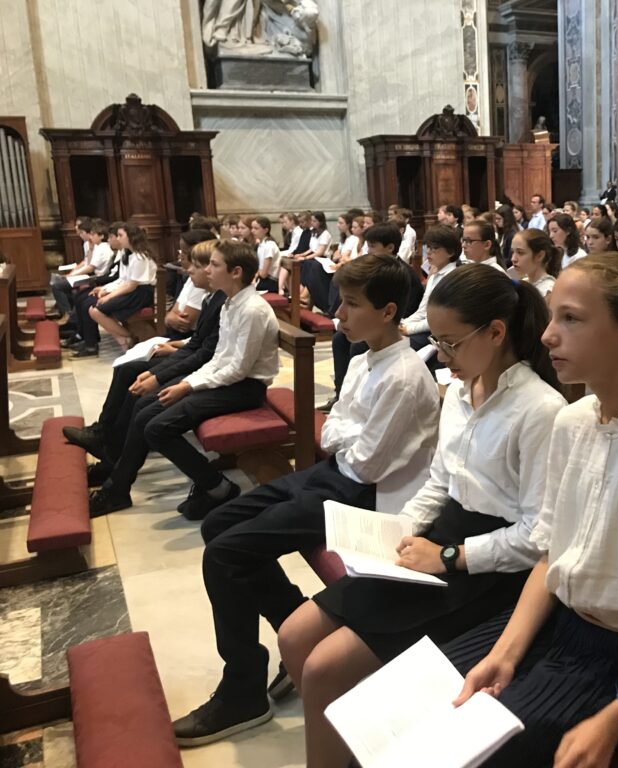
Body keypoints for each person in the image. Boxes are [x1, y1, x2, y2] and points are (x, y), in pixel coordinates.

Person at [434, 254, 618, 768]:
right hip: (559, 625)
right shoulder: (572, 422)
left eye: (570, 318)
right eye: (552, 316)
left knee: (467, 751)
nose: (547, 335)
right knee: (423, 695)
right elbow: (551, 555)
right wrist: (504, 653)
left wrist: (617, 719)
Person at [277, 265, 566, 767]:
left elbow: (539, 535)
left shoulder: (541, 409)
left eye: (451, 343)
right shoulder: (459, 391)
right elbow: (439, 481)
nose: (442, 356)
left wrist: (449, 557)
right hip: (441, 539)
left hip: (490, 570)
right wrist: (397, 529)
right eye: (436, 341)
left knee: (324, 667)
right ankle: (345, 751)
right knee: (294, 634)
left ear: (496, 333)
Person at [172, 254, 441, 747]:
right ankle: (294, 625)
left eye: (352, 304)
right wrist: (346, 433)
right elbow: (333, 429)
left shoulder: (403, 377)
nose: (338, 313)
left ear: (387, 312)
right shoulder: (361, 359)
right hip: (332, 475)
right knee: (218, 525)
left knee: (225, 554)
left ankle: (242, 692)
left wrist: (343, 434)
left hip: (364, 497)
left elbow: (366, 465)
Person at [86, 240, 280, 520]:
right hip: (225, 381)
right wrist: (186, 383)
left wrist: (188, 385)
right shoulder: (231, 303)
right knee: (145, 413)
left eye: (214, 265)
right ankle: (118, 485)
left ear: (236, 272)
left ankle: (217, 487)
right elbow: (218, 358)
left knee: (157, 428)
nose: (207, 270)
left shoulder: (252, 309)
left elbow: (238, 369)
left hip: (245, 388)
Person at [63, 239, 225, 487]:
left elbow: (209, 351)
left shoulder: (227, 303)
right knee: (128, 370)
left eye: (204, 265)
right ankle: (105, 439)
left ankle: (114, 466)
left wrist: (163, 376)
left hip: (209, 371)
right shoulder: (214, 298)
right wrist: (172, 353)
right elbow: (194, 336)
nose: (188, 268)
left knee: (141, 401)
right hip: (198, 357)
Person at [327, 224, 425, 404]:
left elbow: (407, 308)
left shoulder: (403, 274)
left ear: (390, 247)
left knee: (357, 345)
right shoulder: (358, 364)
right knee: (340, 339)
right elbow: (339, 416)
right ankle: (338, 392)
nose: (339, 314)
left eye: (372, 246)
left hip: (399, 323)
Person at [74, 223, 158, 357]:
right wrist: (105, 289)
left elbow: (131, 285)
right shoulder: (127, 254)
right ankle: (124, 339)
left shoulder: (140, 257)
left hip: (139, 294)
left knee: (96, 311)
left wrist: (109, 296)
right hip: (131, 291)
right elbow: (123, 280)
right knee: (93, 308)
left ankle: (128, 337)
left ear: (131, 237)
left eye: (120, 235)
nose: (118, 239)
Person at [399, 225, 461, 351]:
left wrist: (409, 329)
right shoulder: (434, 275)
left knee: (397, 346)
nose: (428, 252)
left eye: (435, 248)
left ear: (450, 252)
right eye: (428, 247)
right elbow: (423, 310)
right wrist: (402, 324)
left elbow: (441, 318)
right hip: (427, 326)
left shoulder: (453, 277)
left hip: (442, 332)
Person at [51, 218, 114, 325]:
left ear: (101, 236)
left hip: (96, 278)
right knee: (63, 286)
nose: (90, 237)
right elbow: (87, 261)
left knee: (58, 286)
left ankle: (69, 316)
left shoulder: (102, 248)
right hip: (93, 276)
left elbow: (90, 267)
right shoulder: (96, 247)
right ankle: (69, 315)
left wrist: (70, 275)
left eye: (93, 234)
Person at [164, 236, 214, 341]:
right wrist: (169, 318)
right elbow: (171, 314)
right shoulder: (193, 280)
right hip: (184, 340)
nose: (180, 255)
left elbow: (186, 324)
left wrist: (170, 318)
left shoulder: (203, 287)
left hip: (185, 337)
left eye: (184, 251)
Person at [509, 228, 561, 298]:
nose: (513, 259)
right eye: (512, 252)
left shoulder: (547, 290)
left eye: (520, 253)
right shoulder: (523, 282)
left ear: (539, 256)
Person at [250, 216, 281, 293]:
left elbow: (264, 274)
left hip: (270, 282)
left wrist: (257, 272)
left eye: (256, 228)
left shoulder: (269, 245)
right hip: (262, 279)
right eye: (252, 228)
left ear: (266, 230)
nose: (252, 231)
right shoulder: (261, 244)